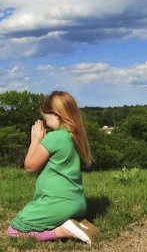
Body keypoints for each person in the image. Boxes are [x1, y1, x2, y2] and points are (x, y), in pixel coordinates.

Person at [6, 91, 101, 244]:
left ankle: (64, 231)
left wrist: (35, 140)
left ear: (56, 114)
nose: (44, 119)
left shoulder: (55, 137)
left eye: (45, 115)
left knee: (14, 230)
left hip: (58, 203)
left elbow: (30, 166)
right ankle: (75, 223)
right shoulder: (74, 136)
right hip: (77, 203)